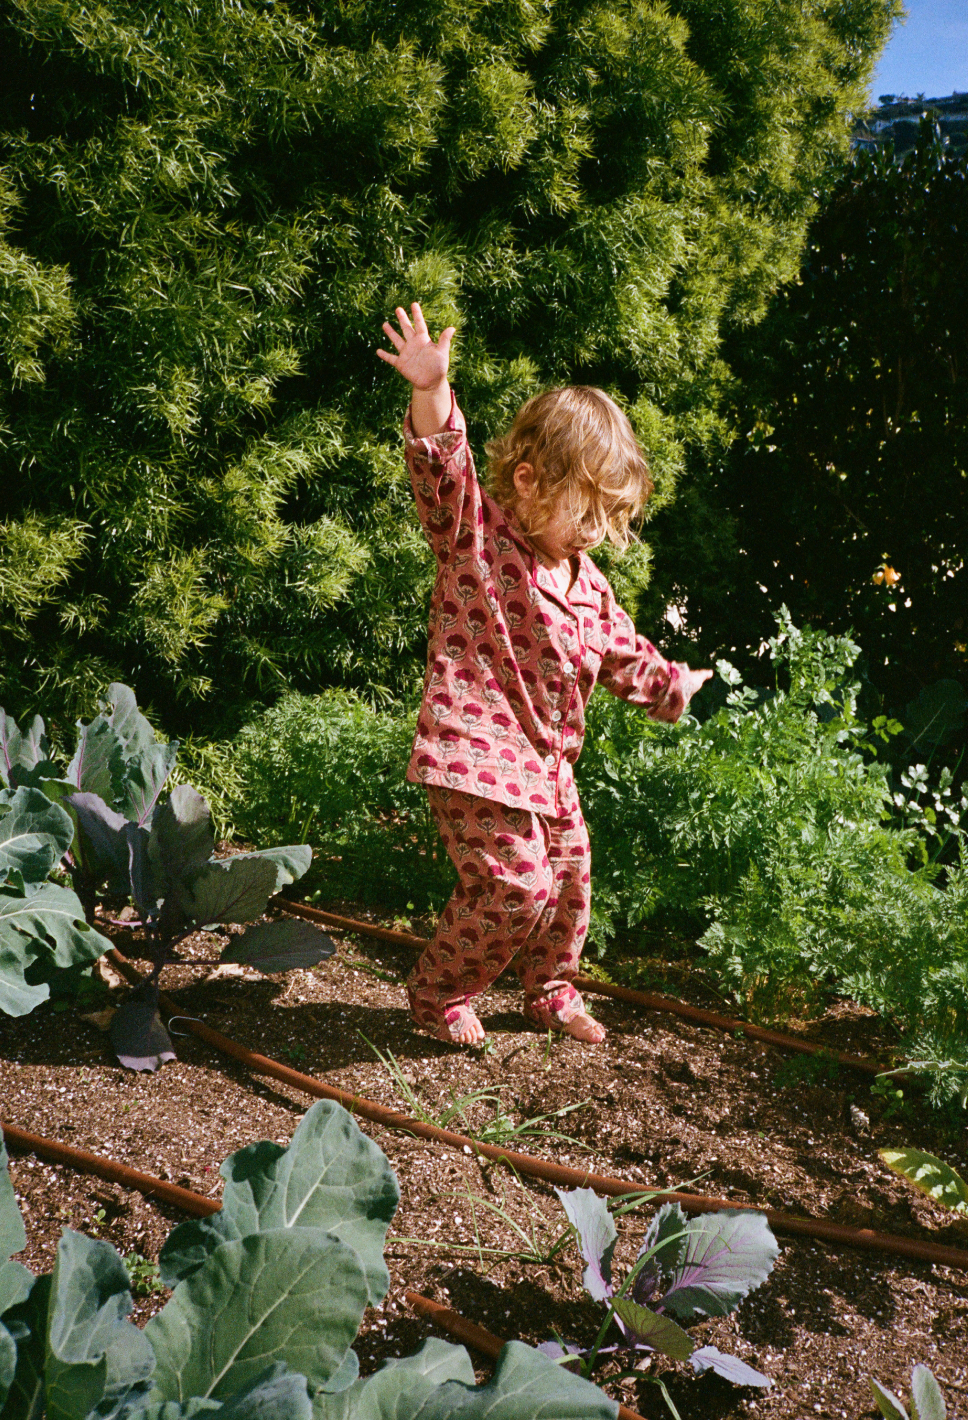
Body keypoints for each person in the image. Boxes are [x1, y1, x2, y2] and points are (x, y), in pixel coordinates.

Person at [378, 302, 711, 1047]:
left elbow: (625, 652)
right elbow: (442, 467)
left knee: (567, 885)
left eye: (607, 518)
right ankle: (439, 993)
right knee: (513, 886)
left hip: (547, 768)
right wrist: (431, 390)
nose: (595, 533)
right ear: (527, 481)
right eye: (584, 512)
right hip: (475, 751)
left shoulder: (587, 583)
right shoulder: (476, 534)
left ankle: (550, 991)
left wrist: (672, 685)